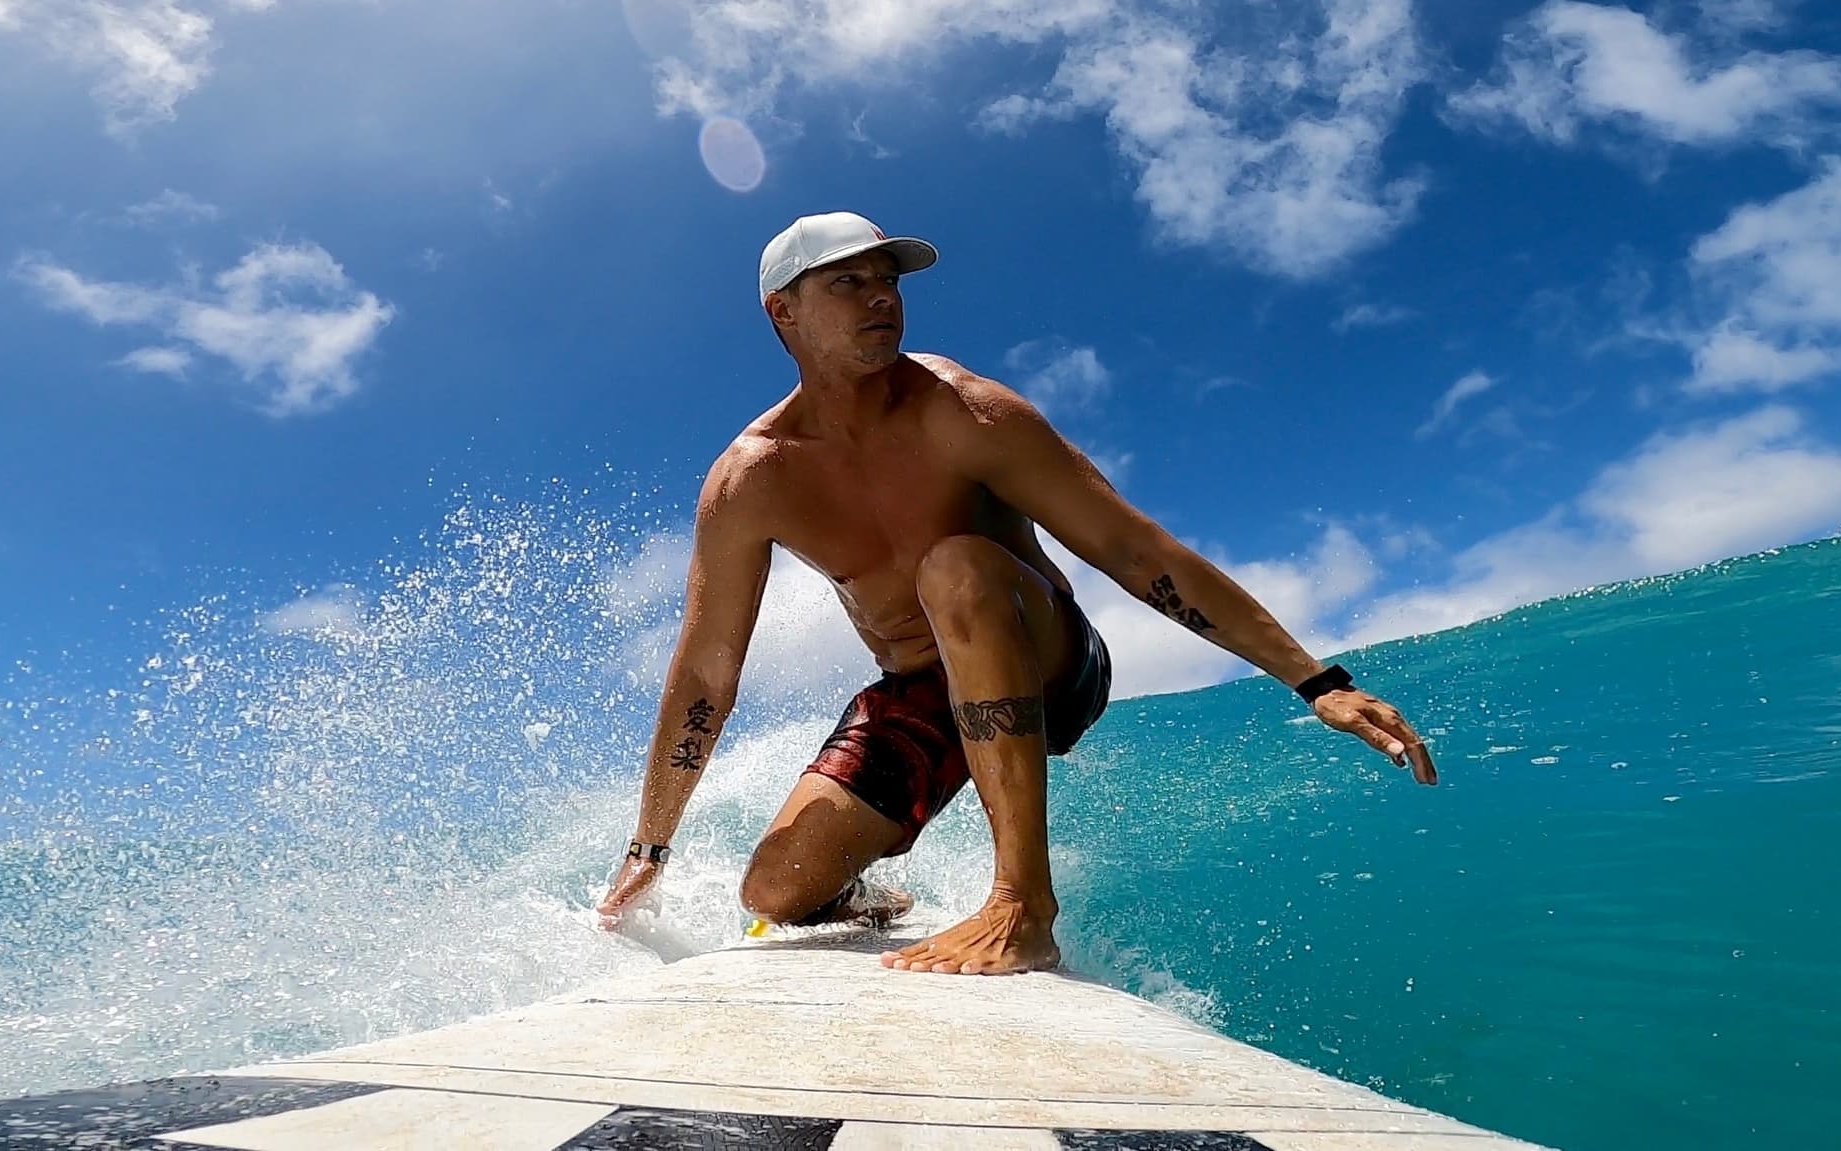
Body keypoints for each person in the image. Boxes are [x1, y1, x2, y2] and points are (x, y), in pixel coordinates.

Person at [596, 211, 1438, 976]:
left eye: (888, 280)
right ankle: (867, 893)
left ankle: (1023, 904)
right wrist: (652, 841)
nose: (880, 298)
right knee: (776, 890)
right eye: (847, 282)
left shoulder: (965, 412)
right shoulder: (753, 478)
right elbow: (708, 670)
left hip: (1047, 655)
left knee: (953, 568)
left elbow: (1130, 545)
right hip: (920, 689)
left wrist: (1317, 681)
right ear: (783, 310)